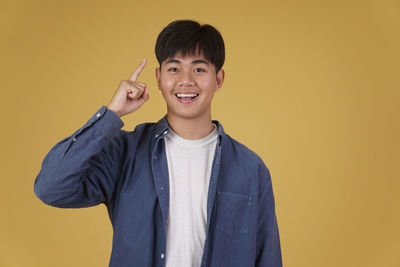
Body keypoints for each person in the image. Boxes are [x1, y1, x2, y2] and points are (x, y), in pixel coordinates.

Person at [34, 20, 282, 267]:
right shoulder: (126, 153)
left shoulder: (251, 169)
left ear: (218, 79)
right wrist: (111, 115)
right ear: (158, 78)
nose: (186, 81)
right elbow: (51, 187)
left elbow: (267, 258)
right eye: (174, 69)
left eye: (198, 69)